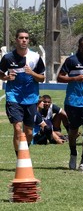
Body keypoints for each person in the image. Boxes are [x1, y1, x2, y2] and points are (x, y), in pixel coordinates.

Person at [57, 37, 83, 173]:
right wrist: (75, 78)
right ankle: (73, 153)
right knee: (73, 131)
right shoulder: (71, 61)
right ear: (79, 47)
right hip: (73, 101)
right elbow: (59, 78)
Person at [0, 28, 45, 156]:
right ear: (16, 40)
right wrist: (6, 78)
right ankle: (19, 157)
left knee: (29, 132)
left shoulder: (35, 57)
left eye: (26, 38)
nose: (24, 40)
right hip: (13, 96)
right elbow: (1, 73)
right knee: (17, 128)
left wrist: (32, 73)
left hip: (31, 98)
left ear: (28, 40)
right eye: (21, 38)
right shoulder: (8, 57)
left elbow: (42, 78)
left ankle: (25, 151)